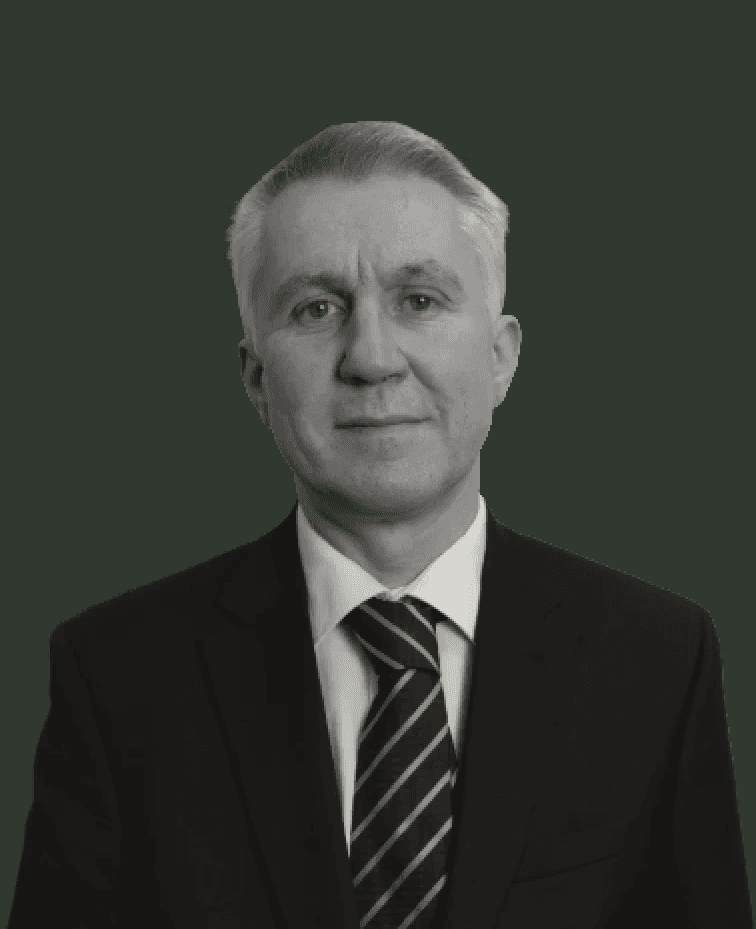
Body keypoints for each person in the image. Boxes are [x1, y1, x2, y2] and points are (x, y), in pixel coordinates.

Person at [8, 121, 752, 929]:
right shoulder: (118, 677)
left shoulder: (657, 658)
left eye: (418, 301)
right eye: (316, 307)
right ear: (256, 376)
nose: (370, 357)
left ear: (501, 356)